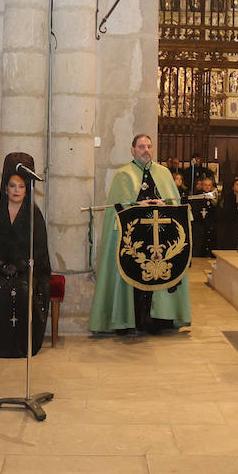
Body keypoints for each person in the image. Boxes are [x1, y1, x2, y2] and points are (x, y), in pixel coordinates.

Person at [89, 133, 192, 334]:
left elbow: (176, 204)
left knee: (161, 276)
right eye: (142, 146)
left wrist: (165, 203)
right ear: (133, 150)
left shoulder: (163, 173)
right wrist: (137, 204)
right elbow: (117, 211)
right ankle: (130, 320)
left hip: (162, 241)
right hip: (134, 241)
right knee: (134, 277)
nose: (146, 150)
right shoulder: (123, 174)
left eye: (149, 146)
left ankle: (159, 320)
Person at [0, 152, 52, 357]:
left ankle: (23, 345)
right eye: (13, 186)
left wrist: (21, 265)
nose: (16, 190)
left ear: (27, 190)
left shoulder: (34, 215)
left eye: (21, 186)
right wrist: (0, 265)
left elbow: (39, 248)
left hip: (25, 269)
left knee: (23, 290)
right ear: (5, 188)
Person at [191, 174, 218, 258]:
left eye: (209, 185)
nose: (207, 187)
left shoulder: (214, 197)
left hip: (210, 225)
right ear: (202, 186)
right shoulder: (197, 197)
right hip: (200, 225)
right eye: (205, 185)